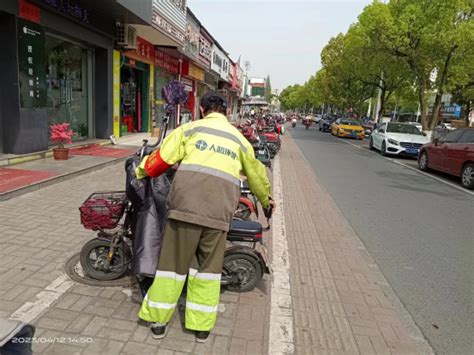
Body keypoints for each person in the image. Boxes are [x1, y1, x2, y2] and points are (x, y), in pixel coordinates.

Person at [134, 91, 275, 343]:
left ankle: (158, 321)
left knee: (171, 268)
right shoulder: (239, 139)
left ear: (202, 110)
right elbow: (256, 175)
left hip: (185, 209)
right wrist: (266, 201)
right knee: (207, 271)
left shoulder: (188, 130)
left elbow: (160, 160)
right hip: (219, 213)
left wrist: (141, 171)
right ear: (224, 111)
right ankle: (201, 328)